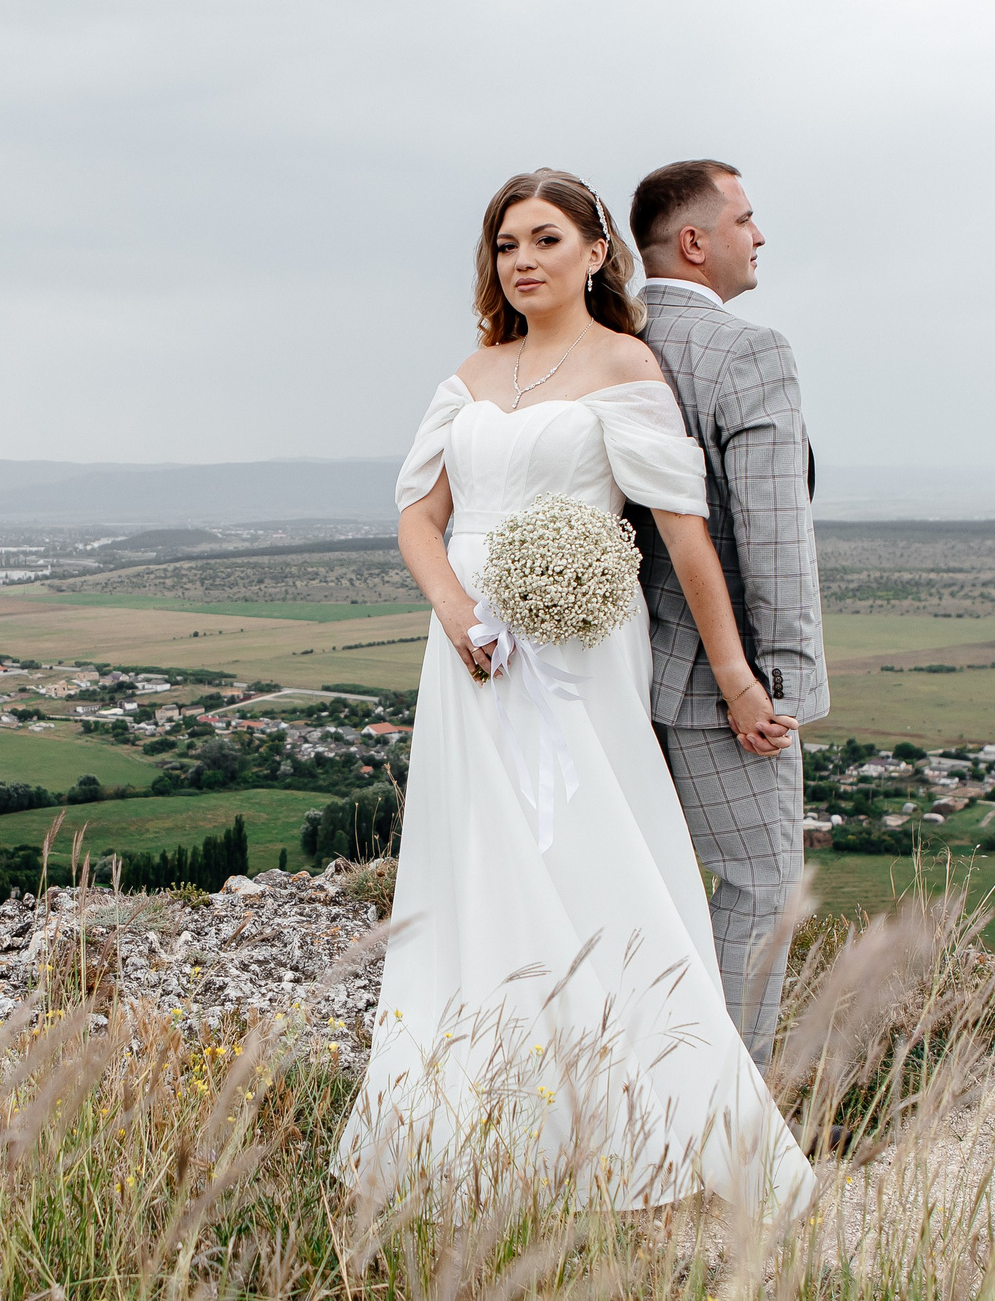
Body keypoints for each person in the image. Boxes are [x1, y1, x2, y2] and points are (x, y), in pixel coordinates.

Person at [333, 168, 814, 1219]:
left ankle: (646, 1112)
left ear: (597, 253)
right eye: (507, 244)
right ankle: (485, 1117)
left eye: (546, 239)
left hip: (582, 647)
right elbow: (417, 517)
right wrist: (455, 609)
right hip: (469, 654)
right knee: (478, 858)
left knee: (593, 844)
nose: (523, 260)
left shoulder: (625, 365)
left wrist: (737, 679)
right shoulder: (471, 372)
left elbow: (683, 532)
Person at [626, 159, 829, 1069]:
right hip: (722, 689)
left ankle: (637, 1076)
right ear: (695, 242)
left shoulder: (606, 339)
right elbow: (772, 533)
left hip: (614, 671)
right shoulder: (749, 352)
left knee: (642, 888)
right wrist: (776, 685)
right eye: (745, 219)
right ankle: (727, 1106)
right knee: (759, 885)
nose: (760, 235)